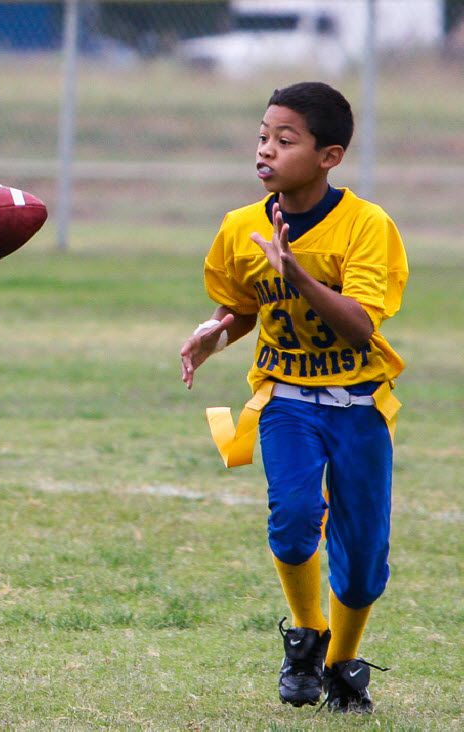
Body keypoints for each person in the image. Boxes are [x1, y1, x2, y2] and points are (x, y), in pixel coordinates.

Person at [179, 82, 408, 714]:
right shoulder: (241, 227)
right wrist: (215, 333)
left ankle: (342, 666)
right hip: (286, 400)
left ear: (329, 155)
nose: (266, 151)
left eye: (285, 140)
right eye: (262, 136)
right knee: (294, 519)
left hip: (360, 406)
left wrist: (297, 272)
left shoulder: (366, 225)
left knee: (363, 567)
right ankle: (306, 636)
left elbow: (360, 325)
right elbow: (245, 306)